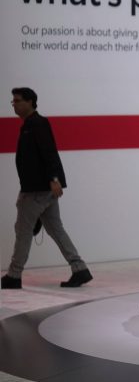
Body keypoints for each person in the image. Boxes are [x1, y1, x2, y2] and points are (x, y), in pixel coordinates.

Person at [1, 88, 93, 289]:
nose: (14, 104)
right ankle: (80, 268)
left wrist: (53, 178)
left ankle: (14, 275)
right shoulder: (30, 125)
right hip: (43, 188)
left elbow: (48, 151)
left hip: (37, 189)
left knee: (23, 231)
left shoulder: (37, 124)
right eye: (13, 101)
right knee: (55, 229)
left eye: (17, 101)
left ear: (30, 102)